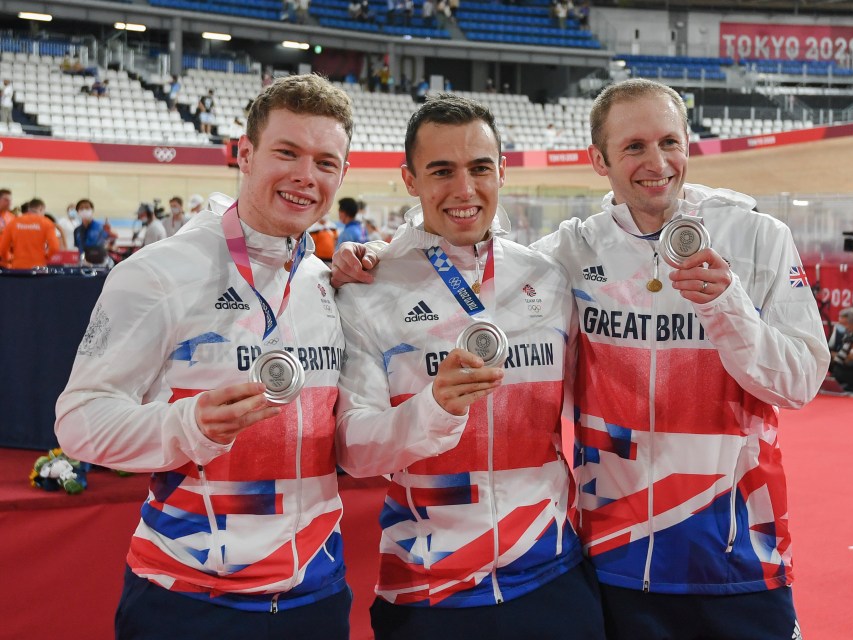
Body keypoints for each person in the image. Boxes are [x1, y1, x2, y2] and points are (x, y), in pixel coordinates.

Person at [333, 78, 829, 639]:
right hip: (614, 559)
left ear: (690, 144)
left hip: (739, 553)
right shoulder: (565, 256)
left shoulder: (759, 237)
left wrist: (726, 305)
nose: (656, 162)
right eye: (634, 147)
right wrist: (384, 254)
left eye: (670, 141)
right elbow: (469, 250)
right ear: (600, 160)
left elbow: (802, 382)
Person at [55, 74, 355, 640]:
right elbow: (78, 422)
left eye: (324, 162)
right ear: (244, 154)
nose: (305, 176)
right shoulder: (157, 273)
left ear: (342, 173)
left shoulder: (324, 278)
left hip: (316, 595)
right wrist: (186, 423)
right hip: (187, 601)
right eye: (286, 153)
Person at [335, 93, 603, 640]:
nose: (464, 190)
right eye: (441, 171)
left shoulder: (547, 279)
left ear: (501, 171)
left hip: (552, 575)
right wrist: (431, 410)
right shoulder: (369, 289)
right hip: (427, 591)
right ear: (409, 180)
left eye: (480, 168)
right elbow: (354, 451)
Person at [0, 197, 59, 269]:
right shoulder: (46, 223)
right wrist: (46, 257)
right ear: (41, 209)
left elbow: (3, 248)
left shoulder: (13, 222)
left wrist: (9, 259)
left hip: (18, 266)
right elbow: (54, 247)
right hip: (38, 266)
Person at [827, 306, 853, 373]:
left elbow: (851, 358)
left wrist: (835, 355)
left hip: (849, 369)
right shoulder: (838, 331)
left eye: (843, 324)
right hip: (835, 363)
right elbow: (829, 349)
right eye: (839, 323)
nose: (840, 326)